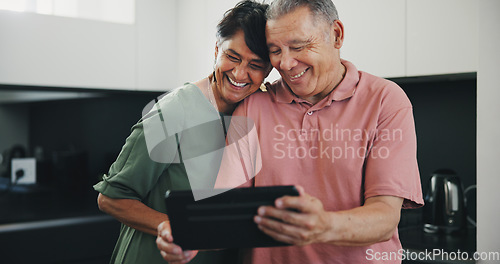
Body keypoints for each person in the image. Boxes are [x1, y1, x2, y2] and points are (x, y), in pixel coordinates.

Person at [158, 0, 424, 263]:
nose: (285, 64)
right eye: (275, 50)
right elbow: (226, 212)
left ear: (336, 35)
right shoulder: (253, 106)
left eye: (298, 46)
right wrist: (190, 240)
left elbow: (386, 217)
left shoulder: (385, 101)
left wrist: (323, 226)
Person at [93, 1, 271, 263]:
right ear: (216, 50)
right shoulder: (174, 112)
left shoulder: (257, 112)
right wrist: (171, 225)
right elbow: (110, 198)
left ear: (269, 69)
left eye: (255, 65)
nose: (239, 73)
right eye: (232, 57)